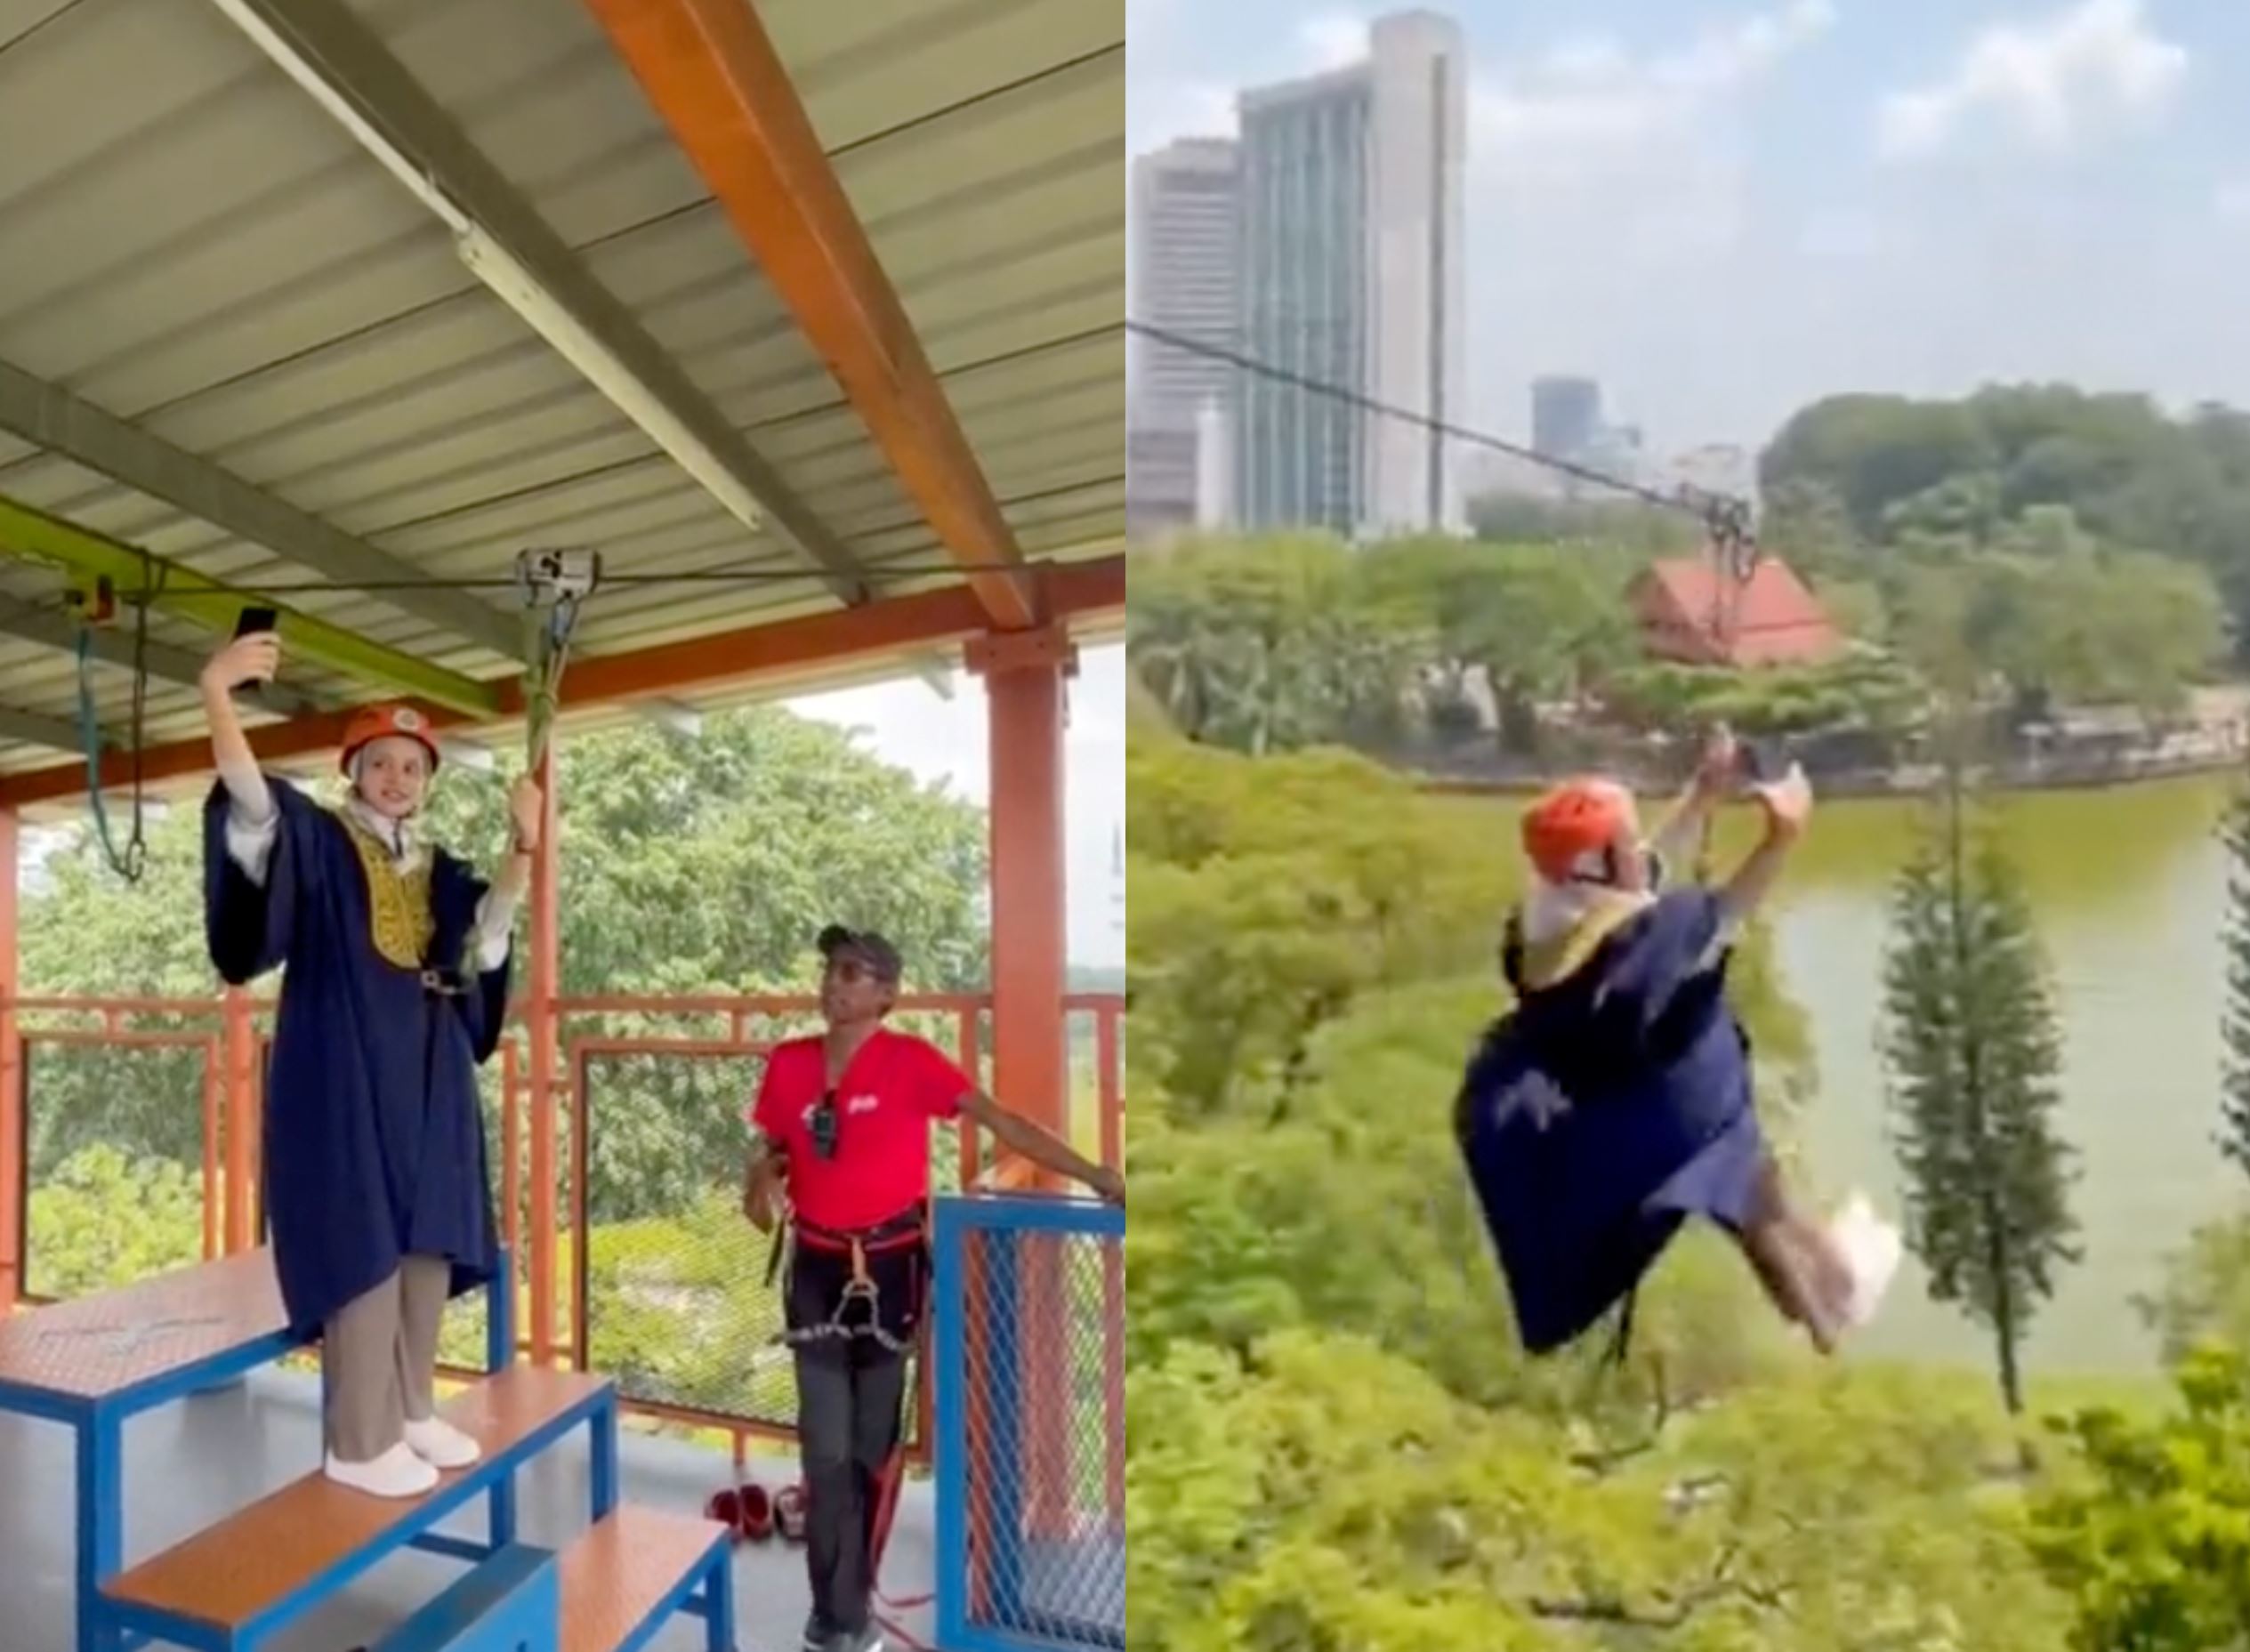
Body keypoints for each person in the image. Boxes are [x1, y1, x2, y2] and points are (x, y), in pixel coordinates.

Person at [198, 628, 534, 1498]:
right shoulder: (319, 840)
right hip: (344, 1066)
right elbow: (251, 808)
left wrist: (523, 847)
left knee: (431, 1230)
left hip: (426, 1064)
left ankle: (413, 1406)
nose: (397, 778)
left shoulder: (438, 868)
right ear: (352, 769)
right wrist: (217, 695)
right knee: (365, 1237)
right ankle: (359, 1436)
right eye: (381, 762)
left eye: (413, 766)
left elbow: (487, 938)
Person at [1456, 732, 1899, 1359]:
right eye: (1624, 841)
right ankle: (1839, 1296)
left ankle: (1826, 1309)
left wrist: (1700, 795)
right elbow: (1713, 920)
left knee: (1746, 1202)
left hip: (1615, 1112)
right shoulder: (1641, 953)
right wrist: (1781, 838)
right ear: (1600, 860)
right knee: (1756, 1190)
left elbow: (1637, 884)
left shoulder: (1548, 924)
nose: (1638, 849)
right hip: (1675, 1099)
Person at [744, 924, 1124, 1652]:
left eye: (853, 974)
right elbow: (766, 1165)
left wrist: (1096, 1173)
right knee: (822, 1449)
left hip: (888, 1270)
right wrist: (759, 1179)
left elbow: (1005, 1121)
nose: (834, 984)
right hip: (817, 1270)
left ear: (887, 994)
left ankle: (846, 1617)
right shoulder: (789, 1064)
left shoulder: (910, 1063)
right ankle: (837, 1617)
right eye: (830, 970)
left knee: (870, 1449)